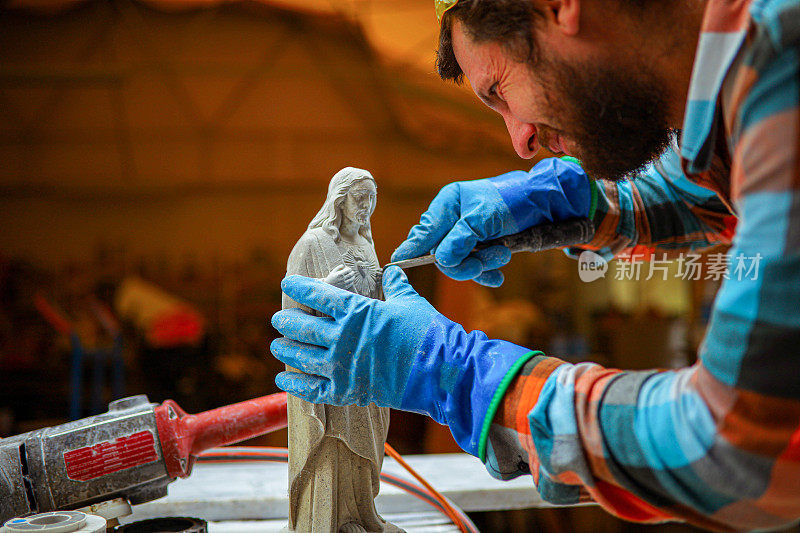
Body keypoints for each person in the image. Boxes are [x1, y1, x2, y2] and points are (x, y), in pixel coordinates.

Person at [270, 0, 800, 530]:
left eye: (499, 89)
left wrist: (462, 377)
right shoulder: (743, 80)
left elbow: (734, 450)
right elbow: (716, 181)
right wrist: (576, 203)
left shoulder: (783, 65)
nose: (521, 143)